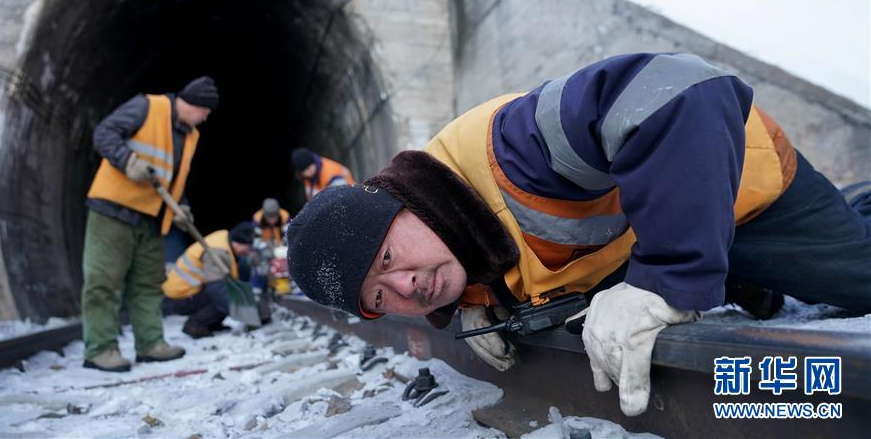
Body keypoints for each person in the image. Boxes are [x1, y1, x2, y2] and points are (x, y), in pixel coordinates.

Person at [285, 53, 871, 417]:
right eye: (380, 298)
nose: (407, 286)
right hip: (649, 234)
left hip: (737, 182)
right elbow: (511, 252)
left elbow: (686, 89)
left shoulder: (517, 148)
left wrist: (665, 281)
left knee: (859, 280)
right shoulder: (452, 246)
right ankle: (721, 274)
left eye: (388, 255)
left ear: (405, 203)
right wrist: (479, 299)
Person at [81, 76, 218, 372]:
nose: (206, 117)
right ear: (192, 104)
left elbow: (175, 176)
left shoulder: (190, 134)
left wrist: (181, 206)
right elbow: (104, 133)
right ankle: (100, 349)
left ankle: (150, 344)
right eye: (205, 111)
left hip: (153, 219)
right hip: (113, 211)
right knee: (104, 281)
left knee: (147, 286)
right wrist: (127, 160)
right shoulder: (147, 107)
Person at [163, 222, 255, 338]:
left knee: (225, 293)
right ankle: (195, 325)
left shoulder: (225, 238)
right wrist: (243, 313)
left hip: (188, 292)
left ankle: (213, 324)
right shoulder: (218, 252)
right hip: (178, 298)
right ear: (237, 243)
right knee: (222, 296)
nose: (249, 252)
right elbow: (215, 288)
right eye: (248, 247)